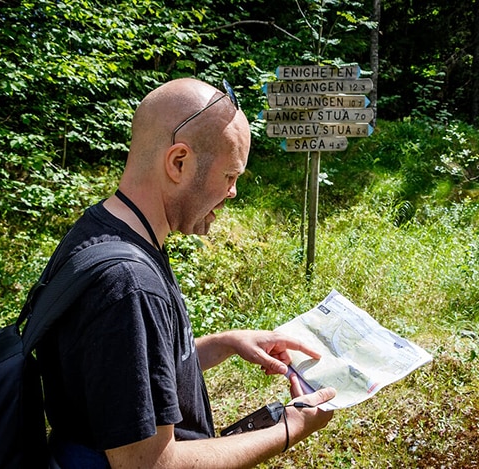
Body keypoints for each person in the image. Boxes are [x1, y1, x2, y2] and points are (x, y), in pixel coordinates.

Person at [36, 77, 336, 468]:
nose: (233, 194)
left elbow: (130, 372)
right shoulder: (129, 285)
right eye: (230, 177)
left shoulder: (101, 232)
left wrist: (226, 342)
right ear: (179, 162)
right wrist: (287, 429)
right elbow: (148, 463)